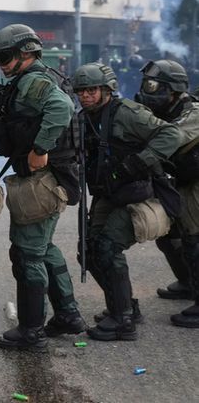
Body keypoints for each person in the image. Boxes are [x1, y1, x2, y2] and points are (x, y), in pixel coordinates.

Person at [0, 24, 86, 352]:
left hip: (46, 177)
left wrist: (40, 148)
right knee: (43, 248)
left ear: (27, 53)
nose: (0, 62)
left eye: (5, 56)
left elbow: (62, 108)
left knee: (27, 253)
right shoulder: (35, 78)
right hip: (57, 176)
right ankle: (68, 314)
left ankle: (31, 331)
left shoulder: (34, 81)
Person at [73, 62, 179, 341]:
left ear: (107, 90)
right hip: (106, 193)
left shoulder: (128, 114)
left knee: (108, 248)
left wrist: (138, 162)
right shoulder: (83, 118)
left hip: (134, 192)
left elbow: (171, 134)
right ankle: (124, 305)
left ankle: (122, 321)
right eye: (81, 91)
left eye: (92, 90)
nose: (85, 96)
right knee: (89, 251)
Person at [133, 60, 199, 327]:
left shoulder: (192, 113)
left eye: (154, 86)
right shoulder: (165, 110)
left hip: (195, 183)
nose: (148, 90)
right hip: (180, 180)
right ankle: (187, 283)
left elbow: (170, 140)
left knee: (195, 240)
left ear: (173, 90)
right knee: (168, 235)